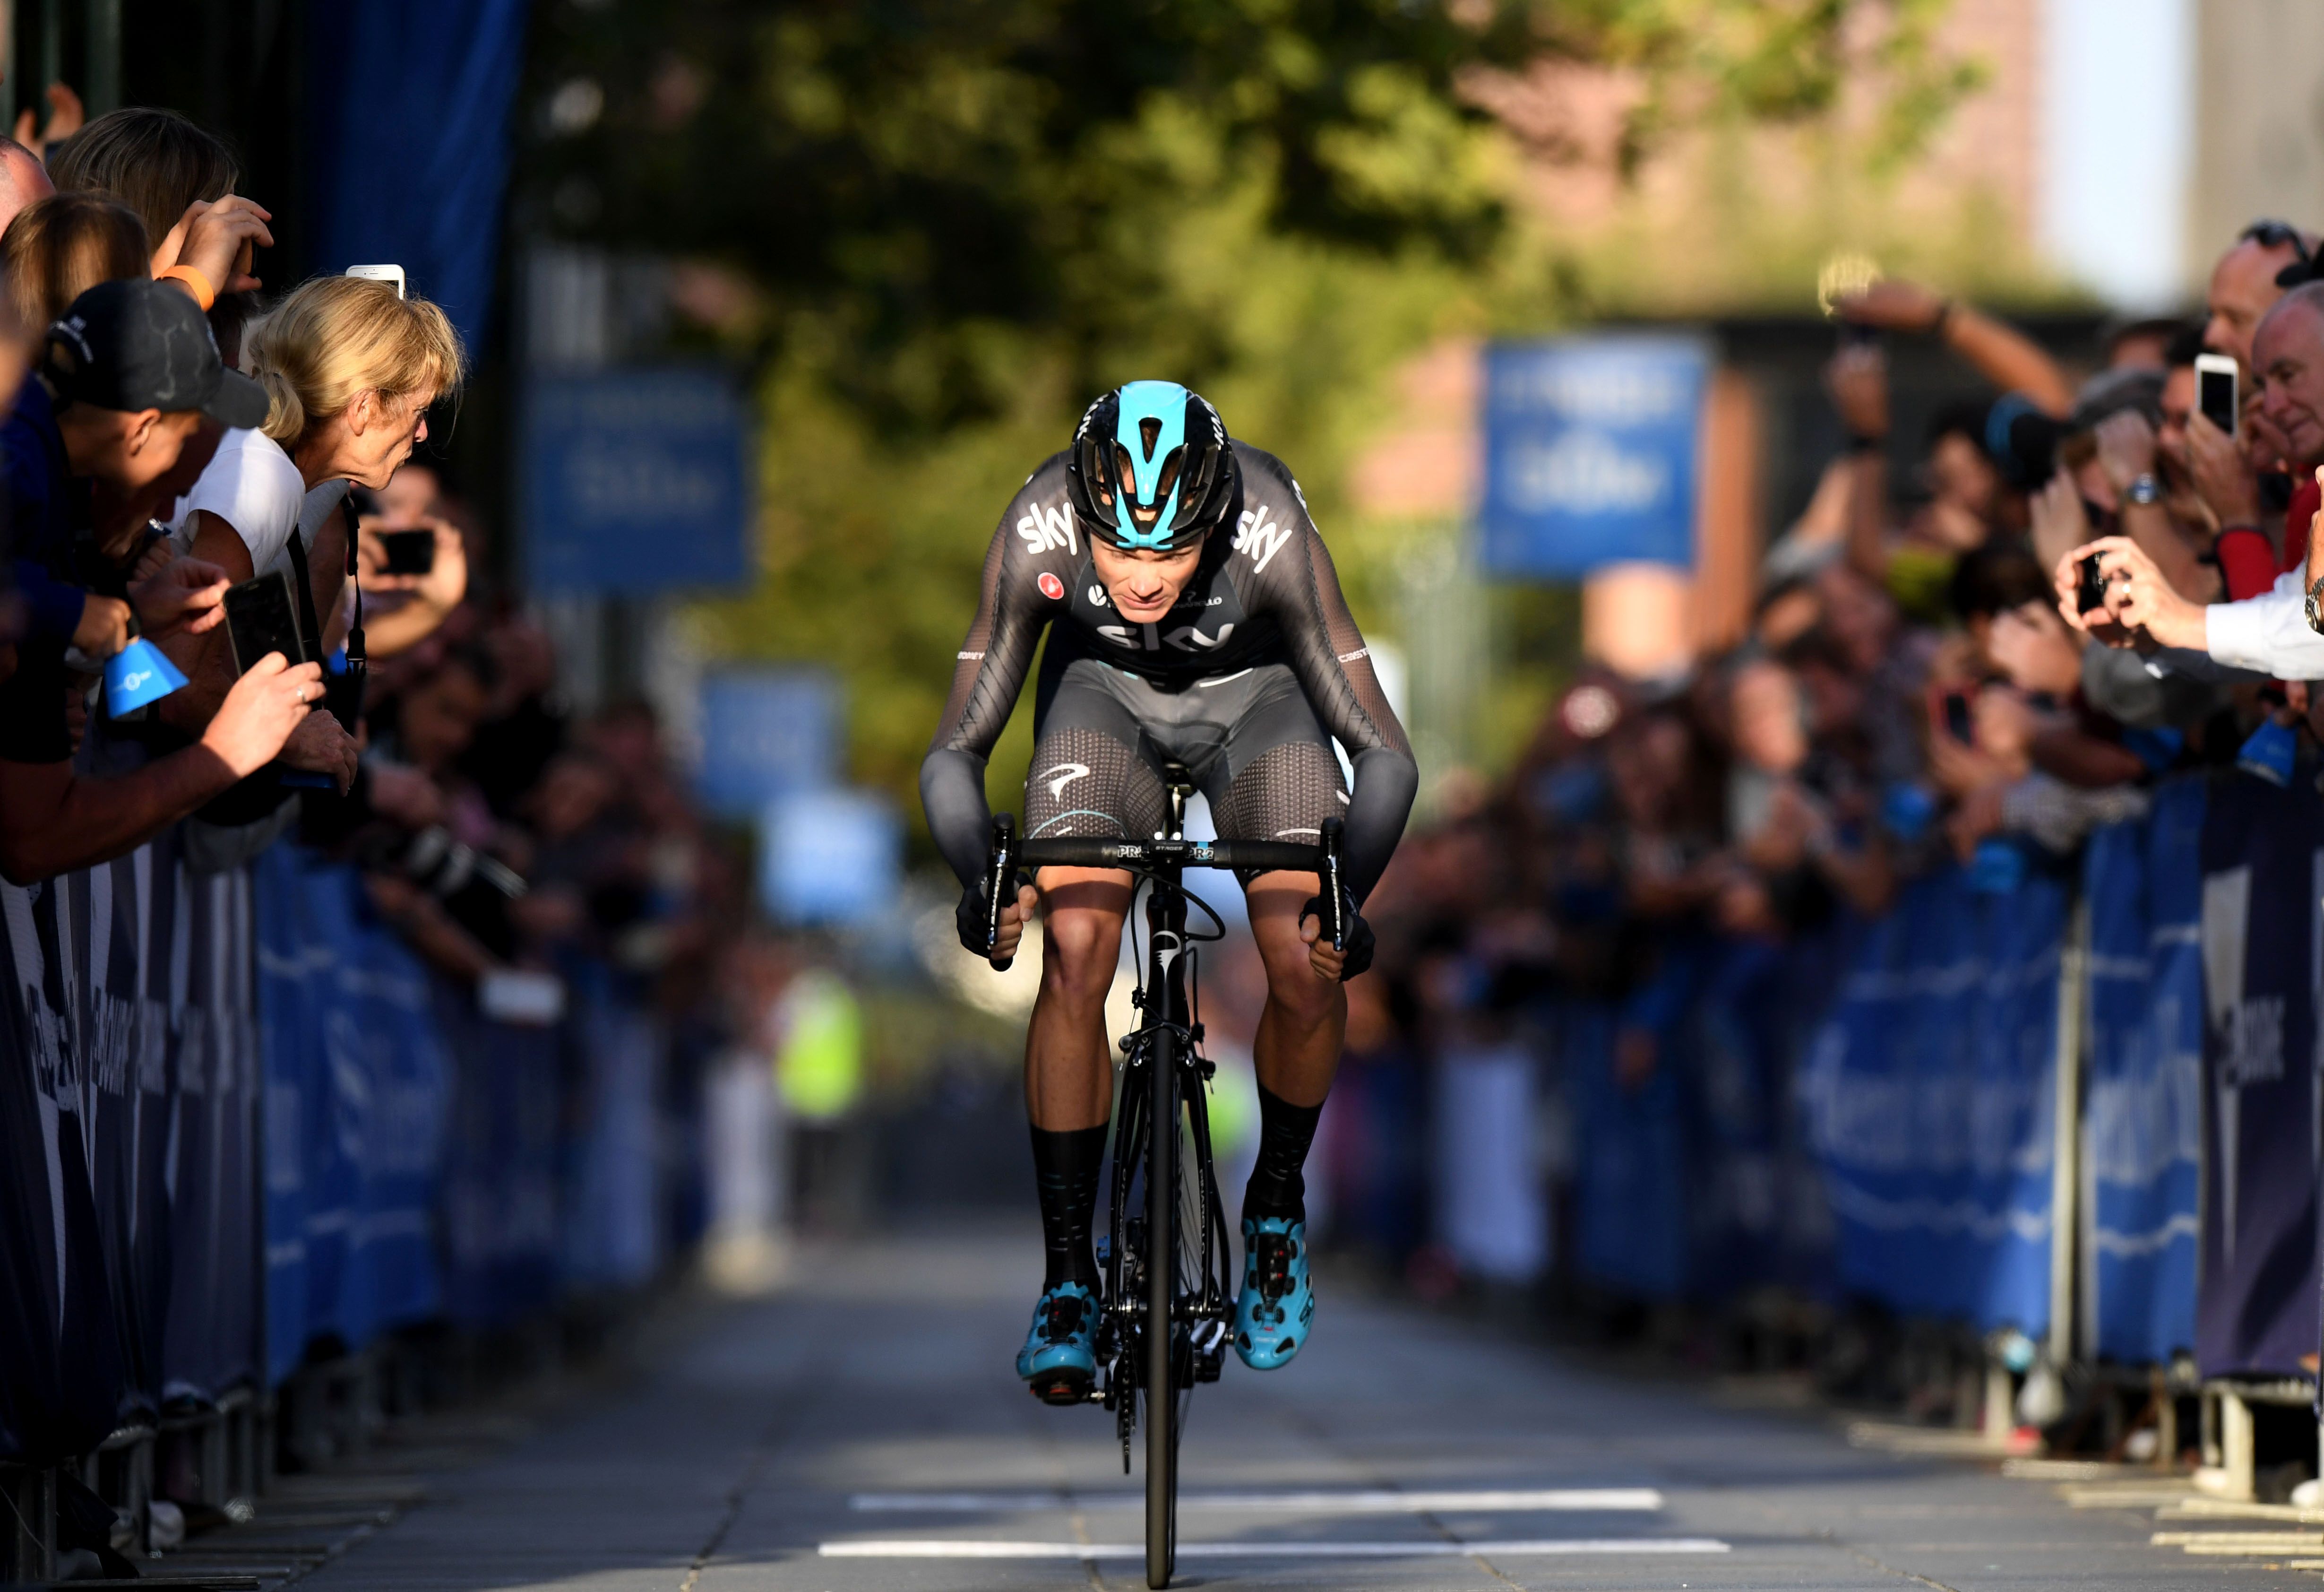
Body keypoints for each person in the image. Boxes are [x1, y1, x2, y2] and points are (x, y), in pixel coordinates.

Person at [921, 381, 1417, 1397]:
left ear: (1215, 521)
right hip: (1098, 703)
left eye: (1171, 552)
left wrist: (1344, 895)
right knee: (1073, 952)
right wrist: (983, 879)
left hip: (1262, 706)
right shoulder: (1038, 525)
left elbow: (1386, 757)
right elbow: (953, 752)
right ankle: (1067, 1278)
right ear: (1086, 520)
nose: (1143, 577)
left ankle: (1274, 1205)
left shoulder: (1271, 523)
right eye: (1121, 551)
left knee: (1300, 954)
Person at [0, 277, 319, 882]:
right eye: (187, 437)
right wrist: (225, 753)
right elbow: (32, 844)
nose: (173, 511)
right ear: (142, 428)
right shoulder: (17, 457)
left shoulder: (54, 467)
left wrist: (130, 614)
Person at [160, 275, 465, 790]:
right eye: (417, 413)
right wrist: (290, 736)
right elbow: (174, 687)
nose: (422, 433)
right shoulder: (266, 480)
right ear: (365, 407)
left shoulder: (272, 465)